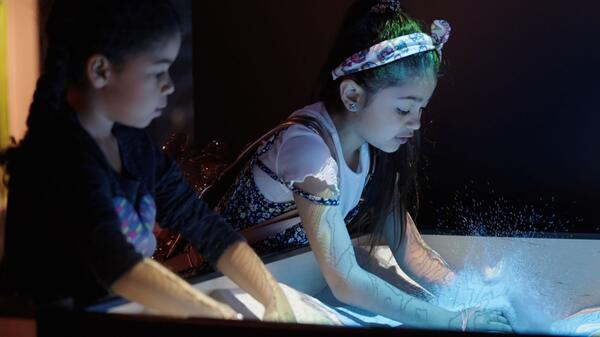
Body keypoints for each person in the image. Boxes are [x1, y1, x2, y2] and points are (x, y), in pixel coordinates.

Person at [218, 0, 511, 332]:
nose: (415, 124)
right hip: (223, 282)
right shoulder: (309, 151)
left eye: (421, 110)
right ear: (352, 96)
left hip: (293, 276)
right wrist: (454, 321)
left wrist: (476, 298)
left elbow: (409, 250)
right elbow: (345, 280)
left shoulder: (375, 149)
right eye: (403, 109)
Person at [0, 0, 294, 322]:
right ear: (100, 70)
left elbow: (204, 226)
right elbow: (118, 265)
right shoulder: (63, 156)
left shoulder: (131, 142)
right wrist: (216, 314)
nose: (168, 86)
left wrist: (273, 296)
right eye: (158, 71)